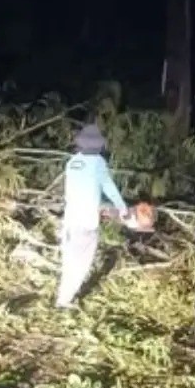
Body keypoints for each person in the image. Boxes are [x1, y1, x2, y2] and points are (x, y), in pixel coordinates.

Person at [56, 123, 128, 309]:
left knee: (69, 259)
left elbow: (76, 191)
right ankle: (65, 300)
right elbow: (109, 187)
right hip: (87, 222)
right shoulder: (98, 163)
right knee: (82, 262)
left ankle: (62, 296)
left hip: (70, 220)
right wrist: (121, 206)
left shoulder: (72, 163)